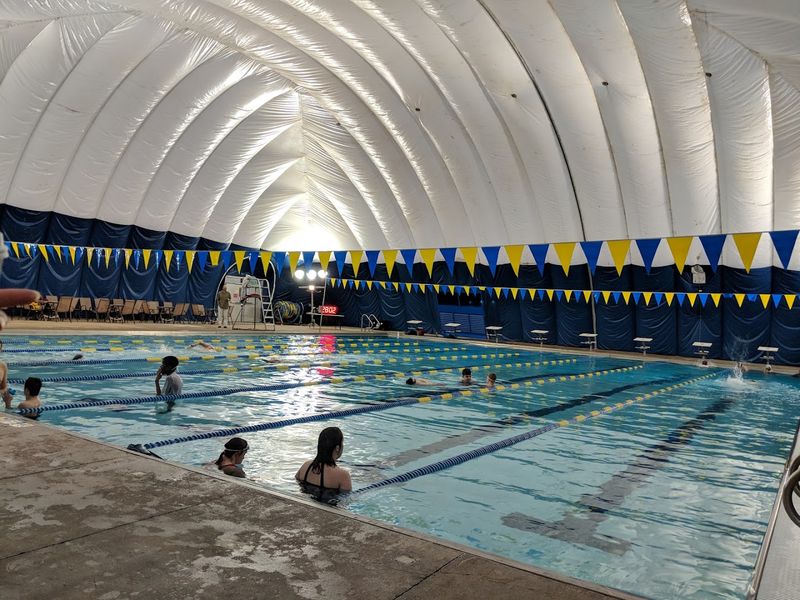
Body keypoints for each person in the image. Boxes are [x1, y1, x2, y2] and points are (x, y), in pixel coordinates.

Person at [295, 426, 352, 503]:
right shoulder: (343, 475)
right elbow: (346, 501)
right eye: (342, 443)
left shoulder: (306, 466)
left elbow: (297, 482)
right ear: (337, 448)